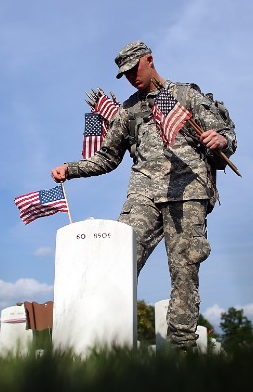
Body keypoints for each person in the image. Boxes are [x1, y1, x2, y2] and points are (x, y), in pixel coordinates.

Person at [51, 40, 237, 351]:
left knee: (184, 271)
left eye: (134, 69)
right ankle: (106, 345)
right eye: (124, 74)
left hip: (187, 192)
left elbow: (225, 133)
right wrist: (71, 168)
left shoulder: (183, 96)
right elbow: (108, 157)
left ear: (149, 60)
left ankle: (182, 350)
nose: (131, 78)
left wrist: (221, 139)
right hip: (144, 193)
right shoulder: (128, 110)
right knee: (117, 260)